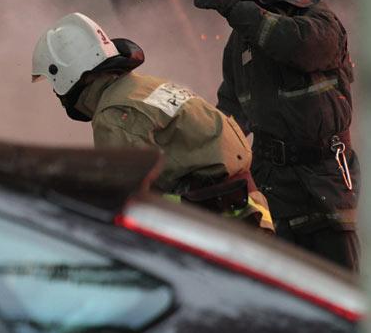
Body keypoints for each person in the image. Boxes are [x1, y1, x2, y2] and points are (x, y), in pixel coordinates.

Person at [193, 0, 360, 270]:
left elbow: (297, 46)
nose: (233, 10)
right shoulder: (241, 43)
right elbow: (230, 114)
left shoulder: (319, 23)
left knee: (339, 288)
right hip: (274, 187)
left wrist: (238, 10)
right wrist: (198, 162)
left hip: (324, 182)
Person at [31, 12, 271, 230]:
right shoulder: (145, 87)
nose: (56, 93)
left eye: (53, 83)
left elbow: (122, 200)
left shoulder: (112, 115)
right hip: (251, 215)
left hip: (214, 229)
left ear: (65, 75)